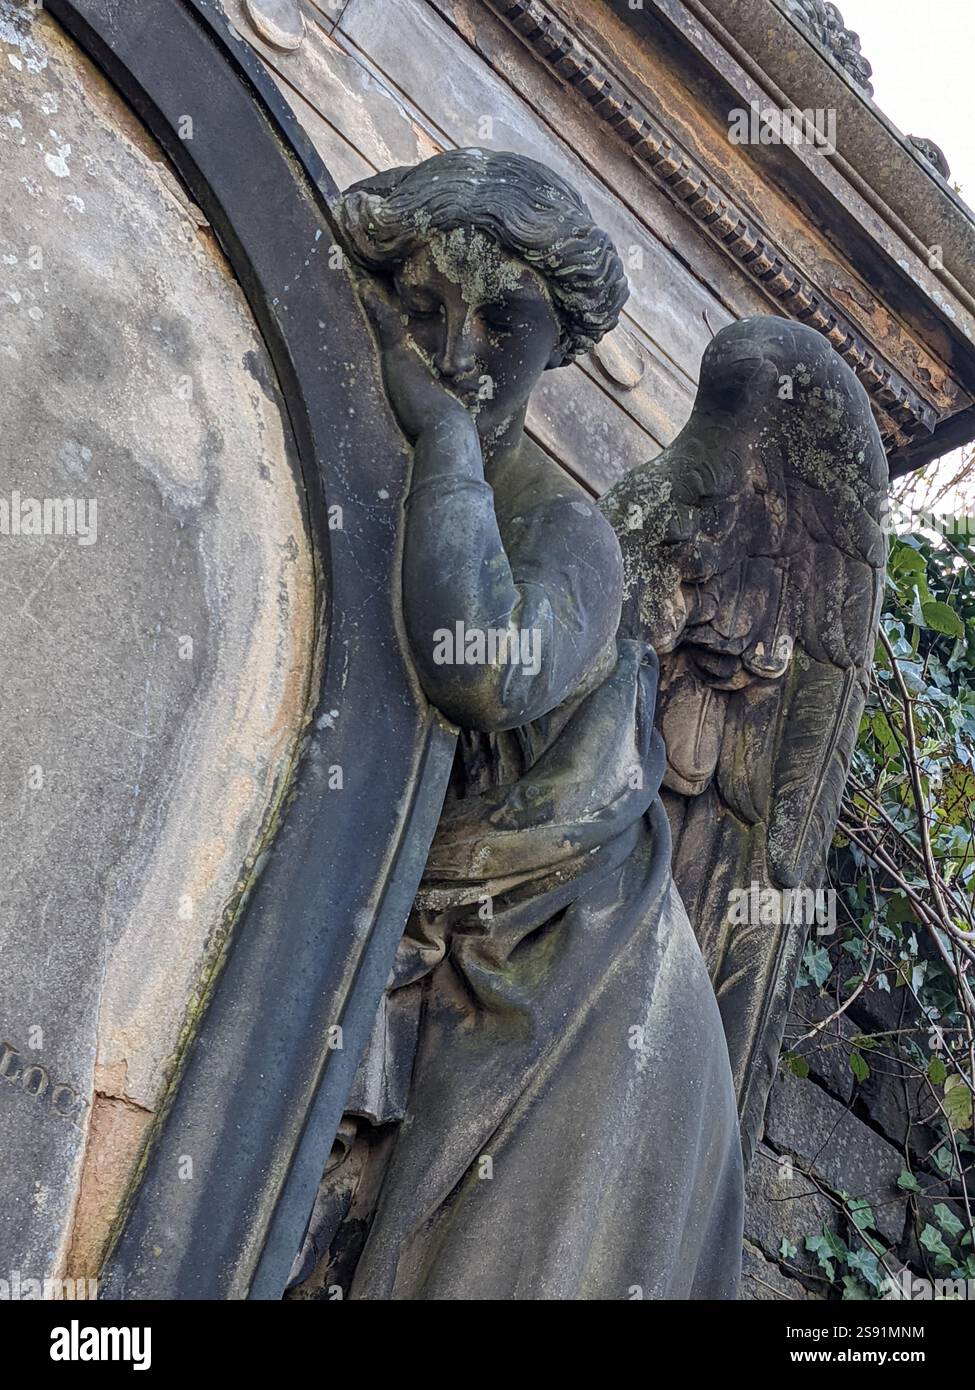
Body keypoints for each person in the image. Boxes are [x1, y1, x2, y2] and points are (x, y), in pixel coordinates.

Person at [288, 148, 743, 1300]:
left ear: (562, 349)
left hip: (586, 985)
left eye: (501, 327)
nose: (451, 354)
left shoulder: (570, 532)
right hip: (489, 955)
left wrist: (443, 441)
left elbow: (474, 669)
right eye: (425, 307)